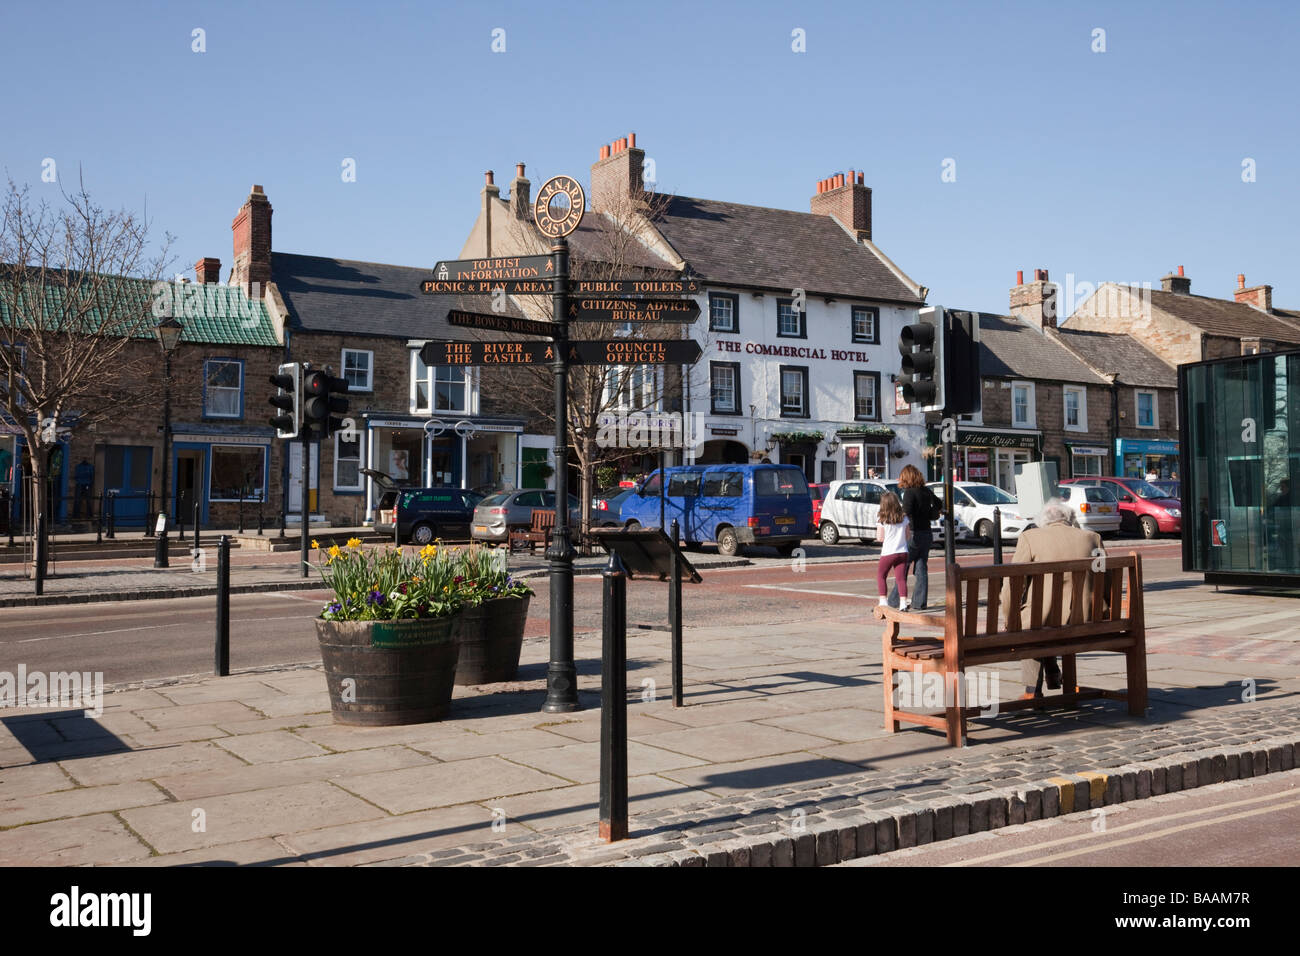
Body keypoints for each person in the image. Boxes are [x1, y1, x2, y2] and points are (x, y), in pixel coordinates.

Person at [1002, 499, 1105, 697]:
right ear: (1070, 519)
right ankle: (1052, 671)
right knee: (1047, 620)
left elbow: (1013, 583)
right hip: (1086, 618)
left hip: (1043, 621)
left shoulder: (1029, 538)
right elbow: (1105, 579)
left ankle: (1032, 690)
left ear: (1043, 521)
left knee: (1033, 622)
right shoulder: (1093, 538)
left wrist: (1009, 617)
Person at [888, 464, 938, 611]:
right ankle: (919, 603)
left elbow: (906, 512)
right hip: (927, 533)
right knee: (921, 567)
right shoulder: (926, 491)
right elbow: (939, 503)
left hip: (914, 534)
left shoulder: (910, 493)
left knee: (902, 567)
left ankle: (893, 601)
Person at [875, 491, 911, 610]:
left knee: (881, 575)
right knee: (900, 578)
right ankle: (903, 604)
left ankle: (883, 601)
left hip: (888, 552)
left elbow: (880, 538)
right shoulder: (904, 518)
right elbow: (907, 536)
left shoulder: (882, 519)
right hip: (902, 551)